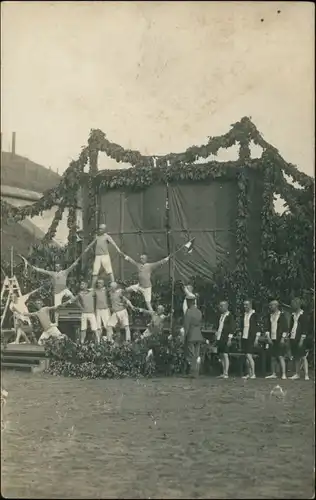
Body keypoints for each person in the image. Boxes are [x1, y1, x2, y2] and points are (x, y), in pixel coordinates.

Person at [21, 251, 88, 323]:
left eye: (57, 266)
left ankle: (82, 308)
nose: (56, 267)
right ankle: (56, 322)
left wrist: (75, 263)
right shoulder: (53, 273)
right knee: (56, 308)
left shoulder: (65, 272)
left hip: (64, 290)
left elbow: (72, 266)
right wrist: (35, 268)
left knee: (74, 298)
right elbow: (44, 271)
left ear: (60, 267)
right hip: (57, 293)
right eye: (55, 266)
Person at [264, 300, 289, 380]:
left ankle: (284, 374)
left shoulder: (282, 316)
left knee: (280, 356)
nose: (270, 307)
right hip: (272, 338)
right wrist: (268, 337)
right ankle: (273, 373)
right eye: (270, 305)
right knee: (273, 357)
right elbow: (267, 327)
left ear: (276, 306)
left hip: (279, 338)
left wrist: (283, 338)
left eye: (272, 305)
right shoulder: (269, 316)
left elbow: (285, 328)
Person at [289, 297, 310, 381]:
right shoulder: (292, 315)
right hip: (293, 336)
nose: (292, 305)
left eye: (293, 304)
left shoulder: (303, 315)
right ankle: (297, 373)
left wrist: (302, 339)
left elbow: (305, 328)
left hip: (301, 337)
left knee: (303, 356)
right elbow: (291, 326)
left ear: (298, 304)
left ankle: (306, 374)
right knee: (296, 356)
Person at [240, 299, 261, 379]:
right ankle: (249, 373)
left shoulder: (255, 315)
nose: (245, 306)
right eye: (244, 305)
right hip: (244, 336)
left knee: (249, 355)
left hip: (251, 337)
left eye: (246, 305)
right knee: (247, 356)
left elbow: (258, 327)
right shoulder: (244, 315)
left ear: (250, 305)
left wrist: (257, 338)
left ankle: (253, 373)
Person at [183, 297, 204, 377]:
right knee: (196, 354)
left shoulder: (188, 312)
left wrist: (185, 335)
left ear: (189, 302)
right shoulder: (199, 312)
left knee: (191, 354)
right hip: (198, 334)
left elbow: (186, 325)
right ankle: (196, 371)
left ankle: (192, 372)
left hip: (191, 334)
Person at [215, 301, 235, 379]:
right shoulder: (221, 316)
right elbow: (219, 326)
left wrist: (230, 338)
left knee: (225, 354)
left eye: (221, 306)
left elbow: (232, 328)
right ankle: (223, 372)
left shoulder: (229, 316)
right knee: (221, 354)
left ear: (226, 306)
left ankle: (226, 372)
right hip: (220, 337)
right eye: (219, 306)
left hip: (226, 337)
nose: (220, 308)